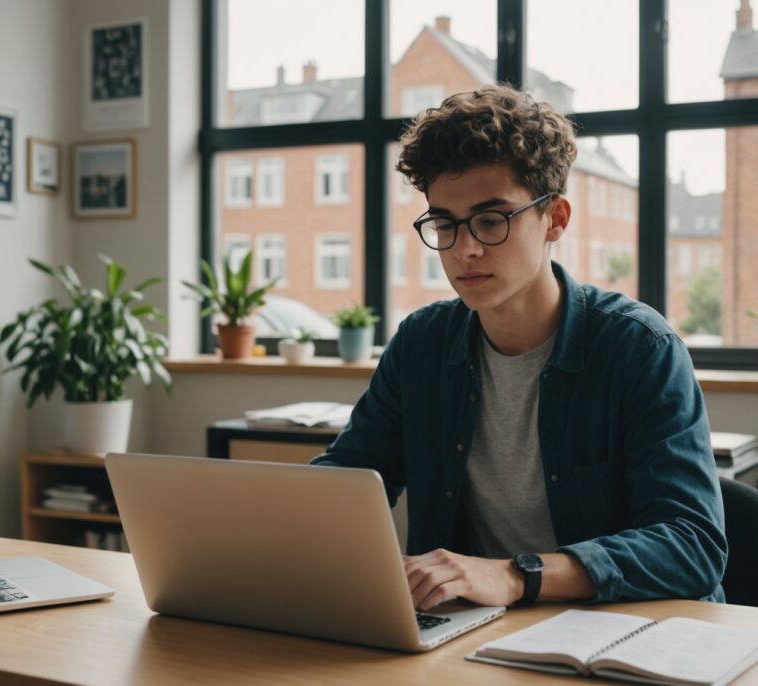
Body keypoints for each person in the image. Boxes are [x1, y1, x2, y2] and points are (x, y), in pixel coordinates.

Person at [311, 84, 726, 612]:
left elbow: (692, 545)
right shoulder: (422, 344)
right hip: (468, 635)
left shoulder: (640, 348)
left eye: (491, 220)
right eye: (444, 223)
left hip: (616, 632)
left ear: (555, 218)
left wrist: (514, 576)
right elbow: (345, 485)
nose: (464, 249)